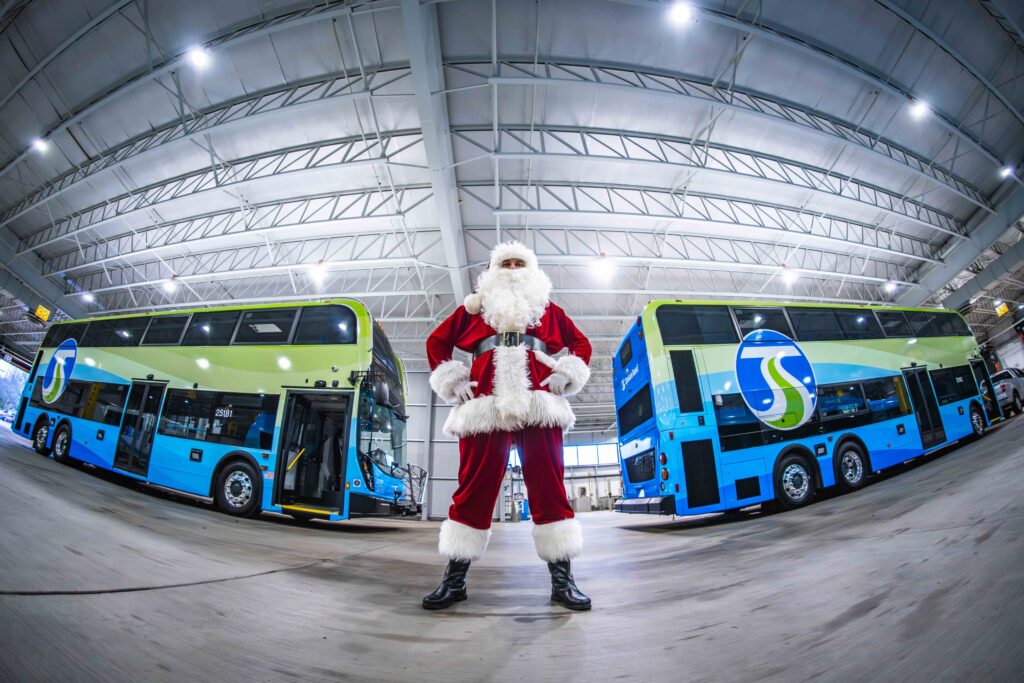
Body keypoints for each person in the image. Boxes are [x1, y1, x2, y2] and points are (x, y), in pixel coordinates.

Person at [422, 241, 593, 611]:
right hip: (485, 405)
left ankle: (563, 582)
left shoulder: (548, 308)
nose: (513, 268)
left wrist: (566, 373)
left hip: (538, 403)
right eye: (506, 262)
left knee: (549, 486)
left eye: (520, 262)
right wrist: (454, 381)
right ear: (491, 270)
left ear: (531, 269)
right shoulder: (474, 307)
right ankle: (455, 581)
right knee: (473, 487)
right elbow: (437, 342)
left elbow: (581, 343)